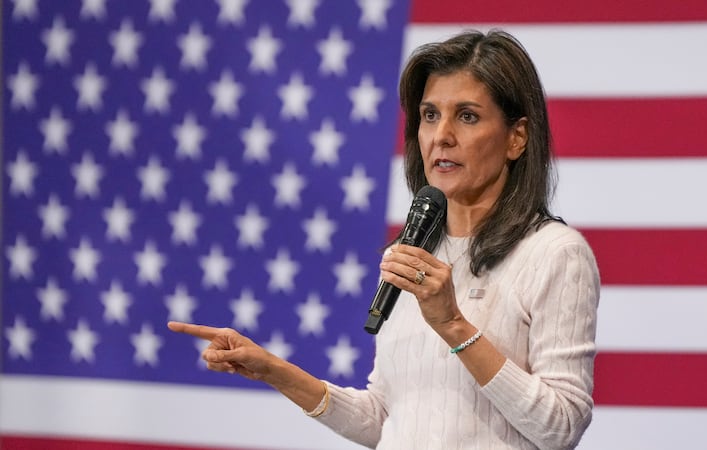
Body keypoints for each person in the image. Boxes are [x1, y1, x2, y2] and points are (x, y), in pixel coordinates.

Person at [168, 29, 600, 450]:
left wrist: (453, 325)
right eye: (430, 115)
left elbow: (560, 427)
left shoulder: (555, 253)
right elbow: (386, 418)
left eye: (467, 116)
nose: (441, 135)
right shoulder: (408, 254)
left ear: (516, 138)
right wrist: (275, 371)